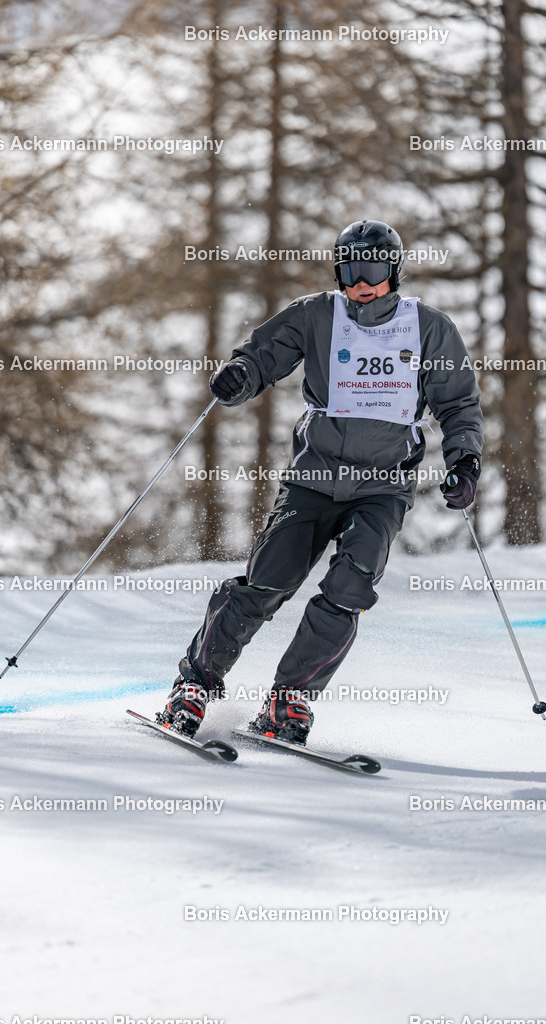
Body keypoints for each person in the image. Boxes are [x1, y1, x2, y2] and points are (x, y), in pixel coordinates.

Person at [158, 219, 484, 744]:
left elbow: (459, 405)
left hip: (382, 488)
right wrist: (238, 376)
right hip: (313, 479)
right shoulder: (317, 315)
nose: (363, 281)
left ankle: (290, 700)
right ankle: (194, 685)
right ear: (340, 270)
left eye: (374, 268)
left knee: (348, 588)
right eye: (352, 268)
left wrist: (464, 463)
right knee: (268, 582)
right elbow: (261, 358)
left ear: (393, 271)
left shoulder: (428, 327)